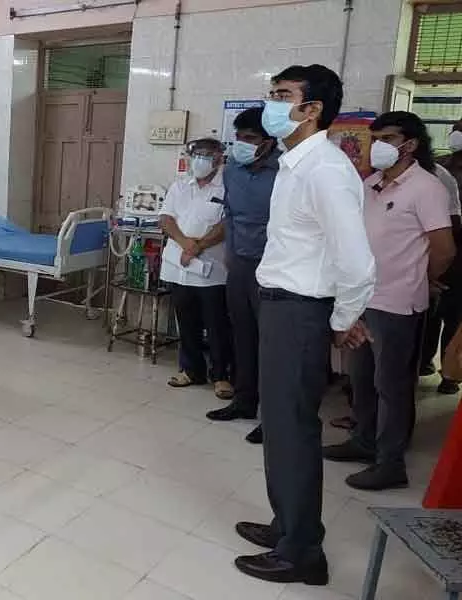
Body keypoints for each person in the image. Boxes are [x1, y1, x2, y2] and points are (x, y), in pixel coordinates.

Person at [233, 64, 375, 586]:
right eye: (271, 92)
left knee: (292, 430)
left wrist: (341, 320)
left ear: (311, 109)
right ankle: (287, 525)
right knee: (280, 427)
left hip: (299, 310)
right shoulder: (295, 163)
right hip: (284, 305)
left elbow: (357, 262)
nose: (272, 102)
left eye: (283, 95)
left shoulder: (326, 170)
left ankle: (303, 554)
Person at [322, 112, 455, 490]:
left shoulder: (427, 187)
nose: (378, 145)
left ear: (409, 145)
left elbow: (443, 249)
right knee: (361, 379)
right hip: (361, 297)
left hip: (397, 302)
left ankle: (390, 462)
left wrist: (424, 278)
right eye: (375, 136)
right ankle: (364, 441)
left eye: (387, 138)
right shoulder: (373, 183)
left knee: (391, 385)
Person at [205, 108, 279, 446]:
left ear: (268, 142)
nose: (241, 145)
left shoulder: (284, 172)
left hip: (274, 267)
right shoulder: (232, 169)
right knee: (243, 335)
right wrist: (232, 256)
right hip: (240, 264)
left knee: (271, 344)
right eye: (238, 138)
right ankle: (244, 400)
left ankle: (272, 418)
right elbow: (230, 215)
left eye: (249, 139)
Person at [160, 138, 234, 400]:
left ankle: (221, 376)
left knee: (217, 325)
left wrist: (198, 246)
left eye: (207, 155)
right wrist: (185, 244)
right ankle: (191, 369)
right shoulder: (180, 186)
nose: (200, 160)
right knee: (186, 321)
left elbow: (226, 225)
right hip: (179, 265)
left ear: (219, 158)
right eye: (197, 154)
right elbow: (166, 219)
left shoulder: (227, 187)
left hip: (211, 269)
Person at [422, 120, 462, 394]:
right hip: (434, 244)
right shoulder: (441, 166)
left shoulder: (443, 172)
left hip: (456, 248)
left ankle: (450, 374)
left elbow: (453, 218)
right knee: (430, 311)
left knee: (454, 314)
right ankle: (424, 361)